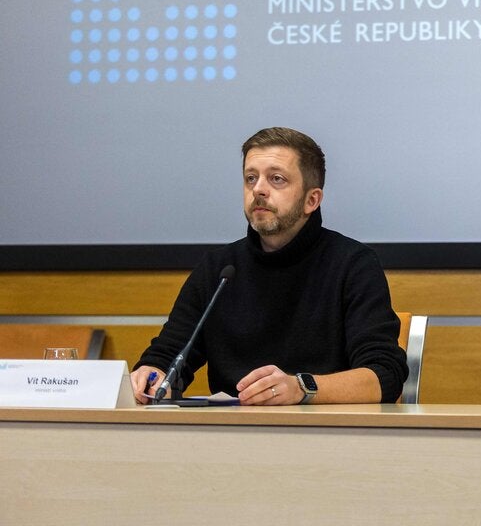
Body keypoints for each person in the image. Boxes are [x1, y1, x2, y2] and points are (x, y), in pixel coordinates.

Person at [131, 127, 408, 405]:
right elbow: (168, 356)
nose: (258, 189)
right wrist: (151, 374)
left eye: (277, 179)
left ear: (311, 200)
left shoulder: (353, 264)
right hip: (230, 428)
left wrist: (301, 388)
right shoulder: (220, 269)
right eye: (251, 178)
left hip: (324, 428)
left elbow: (385, 375)